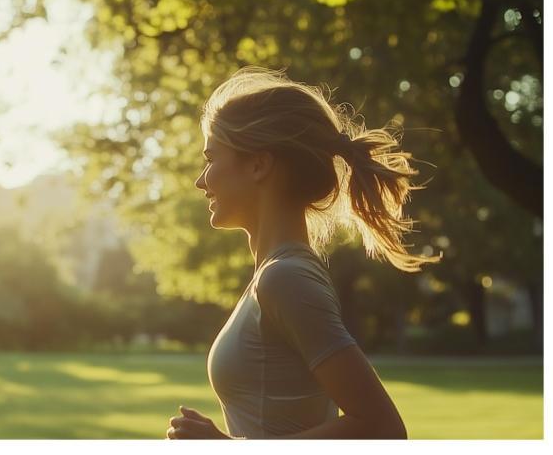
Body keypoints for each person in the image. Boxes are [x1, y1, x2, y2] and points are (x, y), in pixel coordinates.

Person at [165, 66, 442, 440]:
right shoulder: (274, 275)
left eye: (211, 158)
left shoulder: (286, 278)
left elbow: (382, 429)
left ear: (259, 164)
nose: (201, 180)